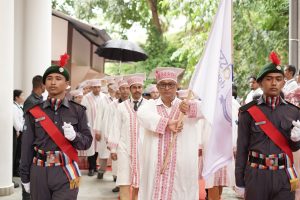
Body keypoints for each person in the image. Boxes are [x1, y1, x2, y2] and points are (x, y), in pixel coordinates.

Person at [20, 54, 92, 200]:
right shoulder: (34, 111)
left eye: (58, 79)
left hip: (66, 170)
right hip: (39, 171)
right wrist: (24, 176)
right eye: (49, 78)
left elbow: (87, 142)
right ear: (44, 84)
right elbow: (26, 146)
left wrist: (75, 136)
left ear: (67, 84)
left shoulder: (78, 110)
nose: (53, 82)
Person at [235, 52, 300, 200]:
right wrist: (239, 180)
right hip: (257, 175)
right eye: (269, 79)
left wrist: (296, 140)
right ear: (260, 82)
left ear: (283, 83)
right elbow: (242, 148)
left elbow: (294, 148)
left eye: (278, 79)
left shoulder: (294, 111)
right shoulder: (248, 112)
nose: (274, 83)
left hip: (284, 175)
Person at [136, 69, 204, 199]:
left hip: (181, 166)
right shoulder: (150, 106)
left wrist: (189, 107)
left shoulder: (186, 105)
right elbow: (141, 115)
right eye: (163, 84)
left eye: (171, 84)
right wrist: (167, 123)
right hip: (155, 165)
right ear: (157, 87)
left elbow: (207, 110)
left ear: (177, 86)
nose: (167, 88)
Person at [108, 74, 147, 200]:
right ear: (130, 89)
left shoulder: (150, 106)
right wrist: (113, 149)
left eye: (139, 87)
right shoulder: (121, 107)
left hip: (144, 150)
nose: (137, 90)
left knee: (140, 182)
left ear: (142, 88)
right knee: (124, 181)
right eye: (134, 87)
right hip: (124, 148)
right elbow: (115, 127)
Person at [106, 79, 130, 193]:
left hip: (128, 137)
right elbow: (108, 122)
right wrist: (109, 140)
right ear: (119, 91)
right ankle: (118, 183)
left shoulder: (133, 104)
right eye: (122, 89)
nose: (125, 91)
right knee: (117, 163)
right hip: (116, 137)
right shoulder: (113, 105)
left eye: (127, 88)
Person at [81, 79, 103, 176]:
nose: (97, 89)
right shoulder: (86, 98)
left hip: (101, 126)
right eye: (95, 87)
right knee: (91, 147)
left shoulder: (104, 97)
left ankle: (95, 167)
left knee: (98, 147)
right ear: (91, 88)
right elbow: (82, 112)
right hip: (90, 126)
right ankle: (91, 168)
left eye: (98, 87)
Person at [13, 89, 25, 189]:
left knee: (18, 152)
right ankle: (14, 171)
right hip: (18, 131)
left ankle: (16, 170)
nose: (23, 97)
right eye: (22, 95)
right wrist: (20, 129)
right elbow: (16, 122)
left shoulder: (19, 106)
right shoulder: (13, 107)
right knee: (15, 153)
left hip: (20, 131)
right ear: (17, 97)